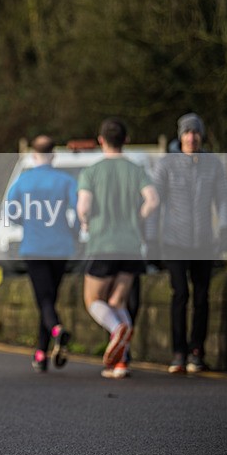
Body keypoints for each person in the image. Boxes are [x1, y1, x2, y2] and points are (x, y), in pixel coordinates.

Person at [77, 119, 159, 379]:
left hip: (103, 243)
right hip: (131, 244)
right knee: (117, 301)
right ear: (126, 140)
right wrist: (139, 218)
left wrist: (86, 223)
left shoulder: (91, 172)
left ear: (101, 140)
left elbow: (83, 207)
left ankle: (116, 331)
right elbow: (153, 200)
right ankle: (121, 363)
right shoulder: (136, 170)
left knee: (93, 300)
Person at [148, 113, 227, 374]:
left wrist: (224, 228)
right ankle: (178, 352)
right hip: (174, 240)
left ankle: (197, 351)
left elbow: (223, 200)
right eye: (186, 133)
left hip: (204, 241)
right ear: (180, 136)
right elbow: (154, 202)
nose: (191, 137)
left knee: (202, 297)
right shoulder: (167, 165)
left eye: (195, 133)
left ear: (201, 136)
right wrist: (151, 238)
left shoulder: (213, 165)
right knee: (180, 294)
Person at [7, 135, 77, 372]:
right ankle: (41, 352)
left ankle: (56, 330)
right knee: (49, 299)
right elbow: (79, 211)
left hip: (34, 246)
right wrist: (73, 231)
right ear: (53, 154)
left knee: (44, 300)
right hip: (60, 246)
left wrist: (27, 223)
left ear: (33, 155)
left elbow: (11, 212)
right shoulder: (66, 181)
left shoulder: (24, 180)